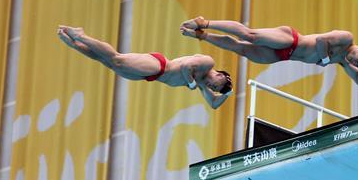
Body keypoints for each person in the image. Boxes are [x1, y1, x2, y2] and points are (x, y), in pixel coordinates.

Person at [57, 25, 232, 109]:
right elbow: (186, 66)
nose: (211, 86)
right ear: (220, 75)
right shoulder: (208, 63)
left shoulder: (201, 82)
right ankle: (81, 35)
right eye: (215, 84)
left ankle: (76, 45)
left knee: (108, 63)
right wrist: (191, 83)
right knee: (116, 59)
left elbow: (214, 103)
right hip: (159, 66)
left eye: (213, 88)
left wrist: (228, 93)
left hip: (151, 76)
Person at [180, 17, 358, 85]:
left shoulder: (343, 60)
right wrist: (326, 59)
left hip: (284, 57)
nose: (355, 63)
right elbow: (320, 41)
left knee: (241, 49)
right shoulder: (347, 38)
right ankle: (204, 23)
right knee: (250, 36)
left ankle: (202, 36)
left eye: (357, 65)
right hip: (290, 41)